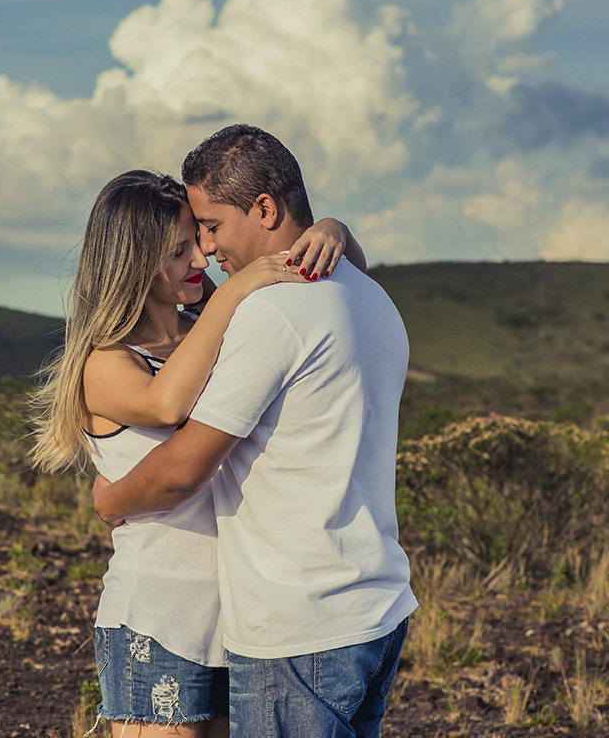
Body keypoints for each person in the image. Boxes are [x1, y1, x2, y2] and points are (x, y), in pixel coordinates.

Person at [92, 126, 417, 738]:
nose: (207, 251)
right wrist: (335, 234)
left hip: (298, 623)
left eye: (210, 227)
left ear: (265, 208)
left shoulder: (268, 313)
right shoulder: (370, 295)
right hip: (371, 607)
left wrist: (109, 498)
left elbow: (185, 466)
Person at [31, 168, 366, 737]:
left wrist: (333, 230)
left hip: (240, 623)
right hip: (160, 620)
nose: (202, 260)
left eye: (199, 242)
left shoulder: (207, 329)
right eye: (178, 251)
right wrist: (237, 288)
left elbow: (348, 284)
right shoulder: (107, 362)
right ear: (135, 263)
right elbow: (166, 404)